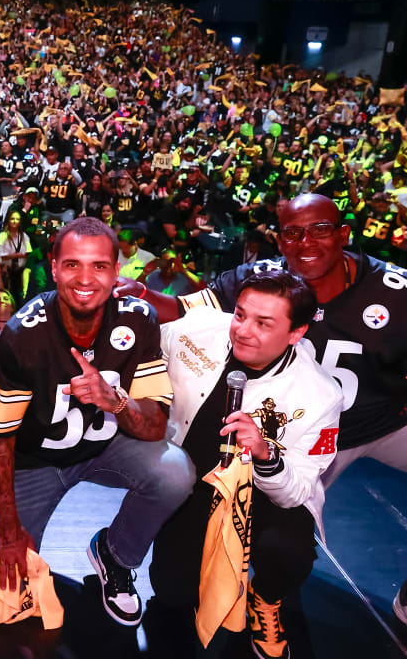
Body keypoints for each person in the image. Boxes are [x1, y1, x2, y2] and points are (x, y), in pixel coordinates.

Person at [120, 194, 407, 659]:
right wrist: (143, 296)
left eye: (319, 229)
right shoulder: (263, 280)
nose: (305, 242)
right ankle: (263, 589)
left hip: (389, 419)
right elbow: (192, 312)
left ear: (343, 234)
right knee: (273, 522)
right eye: (292, 232)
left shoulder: (400, 292)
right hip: (299, 428)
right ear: (279, 238)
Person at [0, 217, 194, 627]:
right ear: (54, 267)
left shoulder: (138, 318)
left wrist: (117, 401)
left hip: (104, 447)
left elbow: (154, 427)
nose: (86, 278)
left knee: (174, 471)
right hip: (34, 463)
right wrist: (7, 528)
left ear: (116, 271)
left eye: (99, 266)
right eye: (73, 264)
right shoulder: (24, 334)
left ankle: (116, 555)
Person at [147, 270, 343, 659]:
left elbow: (298, 492)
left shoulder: (320, 395)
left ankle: (266, 599)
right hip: (197, 487)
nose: (243, 331)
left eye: (263, 323)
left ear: (296, 333)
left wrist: (266, 456)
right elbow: (150, 353)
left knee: (288, 552)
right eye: (240, 315)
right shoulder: (198, 328)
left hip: (265, 500)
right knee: (171, 593)